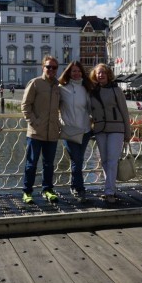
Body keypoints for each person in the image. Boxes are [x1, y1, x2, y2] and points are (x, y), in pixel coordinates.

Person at [20, 56, 61, 204]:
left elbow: (62, 107)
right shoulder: (35, 83)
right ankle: (27, 191)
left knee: (49, 164)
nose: (51, 70)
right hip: (36, 132)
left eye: (54, 67)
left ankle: (48, 190)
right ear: (42, 67)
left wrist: (59, 124)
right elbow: (25, 106)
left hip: (52, 132)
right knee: (31, 164)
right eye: (48, 67)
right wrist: (34, 122)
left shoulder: (58, 86)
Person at [89, 63, 131, 204]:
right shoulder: (92, 91)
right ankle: (110, 188)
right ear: (95, 75)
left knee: (112, 160)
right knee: (105, 161)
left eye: (103, 73)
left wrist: (127, 132)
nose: (101, 75)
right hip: (100, 129)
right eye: (98, 73)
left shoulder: (115, 90)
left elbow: (124, 112)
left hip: (116, 128)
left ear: (108, 75)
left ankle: (109, 192)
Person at [58, 61, 94, 201]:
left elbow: (91, 108)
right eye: (73, 71)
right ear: (68, 72)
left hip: (85, 130)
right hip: (69, 130)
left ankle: (74, 186)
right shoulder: (62, 88)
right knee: (77, 160)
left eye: (79, 71)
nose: (76, 73)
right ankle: (80, 189)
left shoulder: (86, 88)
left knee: (78, 160)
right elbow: (53, 105)